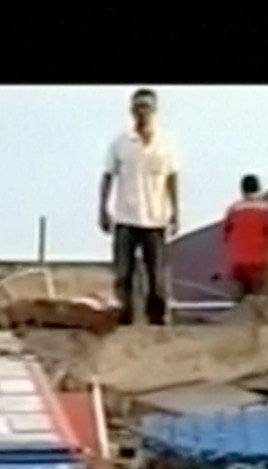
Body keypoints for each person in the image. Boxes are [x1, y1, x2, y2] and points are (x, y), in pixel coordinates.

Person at [99, 88, 179, 325]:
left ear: (154, 111)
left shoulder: (166, 144)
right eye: (138, 108)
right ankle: (124, 319)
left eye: (146, 108)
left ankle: (157, 321)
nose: (142, 113)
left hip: (155, 218)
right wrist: (103, 208)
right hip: (126, 216)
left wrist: (175, 211)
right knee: (124, 273)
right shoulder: (120, 143)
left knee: (156, 276)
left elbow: (172, 178)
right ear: (132, 111)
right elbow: (107, 176)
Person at [222, 174, 268, 298]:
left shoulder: (233, 209)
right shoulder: (267, 209)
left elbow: (226, 236)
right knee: (262, 298)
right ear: (258, 188)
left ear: (242, 190)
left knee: (243, 300)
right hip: (261, 262)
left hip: (239, 262)